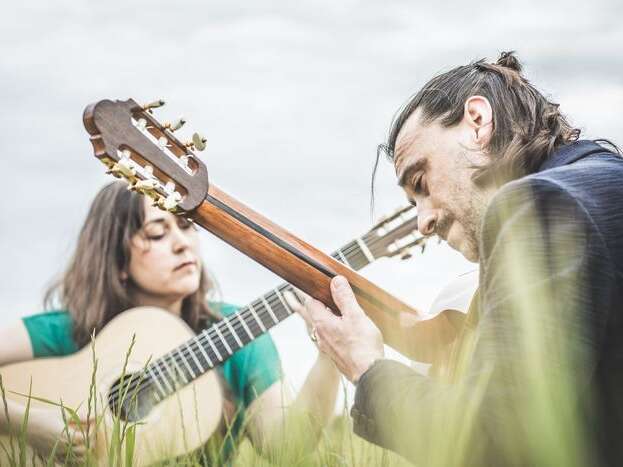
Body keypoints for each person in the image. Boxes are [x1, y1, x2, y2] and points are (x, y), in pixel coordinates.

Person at [295, 51, 623, 465]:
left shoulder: (542, 204)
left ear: (477, 121)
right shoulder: (599, 183)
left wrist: (367, 368)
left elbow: (496, 442)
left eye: (421, 181)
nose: (423, 222)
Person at [0, 181, 340, 464]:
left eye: (186, 226)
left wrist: (330, 354)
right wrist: (27, 425)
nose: (181, 244)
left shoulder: (240, 334)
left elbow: (288, 447)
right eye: (157, 233)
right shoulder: (65, 331)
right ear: (117, 259)